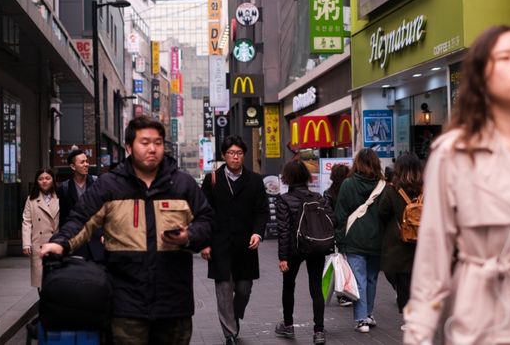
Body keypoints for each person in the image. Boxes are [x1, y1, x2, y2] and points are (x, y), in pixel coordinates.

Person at [403, 25, 510, 344]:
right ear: (480, 76)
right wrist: (418, 334)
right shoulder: (454, 153)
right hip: (481, 314)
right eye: (506, 57)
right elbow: (433, 259)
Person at [40, 116, 213, 345]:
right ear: (129, 147)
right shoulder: (110, 185)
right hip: (125, 303)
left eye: (158, 142)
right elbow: (81, 219)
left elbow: (207, 221)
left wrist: (189, 236)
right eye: (145, 142)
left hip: (173, 303)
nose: (152, 148)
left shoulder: (182, 184)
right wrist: (60, 242)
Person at [200, 135, 269, 345]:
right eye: (231, 153)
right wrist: (205, 242)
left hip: (246, 245)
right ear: (224, 155)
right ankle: (229, 333)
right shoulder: (212, 180)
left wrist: (257, 233)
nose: (235, 157)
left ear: (244, 155)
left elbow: (262, 211)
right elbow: (203, 213)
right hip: (219, 244)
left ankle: (234, 315)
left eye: (239, 153)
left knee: (243, 289)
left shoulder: (255, 180)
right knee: (223, 290)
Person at [274, 159, 332, 345]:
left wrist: (283, 257)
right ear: (306, 177)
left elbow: (283, 230)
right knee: (316, 288)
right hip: (316, 247)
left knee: (288, 285)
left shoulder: (284, 200)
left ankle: (288, 325)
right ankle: (319, 331)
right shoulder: (319, 198)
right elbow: (332, 220)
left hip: (294, 249)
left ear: (287, 178)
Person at [334, 148, 384, 333]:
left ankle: (361, 319)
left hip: (354, 239)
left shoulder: (348, 184)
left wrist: (339, 240)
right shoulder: (383, 185)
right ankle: (368, 314)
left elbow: (340, 214)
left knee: (359, 280)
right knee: (371, 279)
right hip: (377, 239)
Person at [378, 153, 423, 321]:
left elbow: (382, 212)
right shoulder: (427, 189)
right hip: (423, 242)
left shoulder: (392, 190)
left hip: (399, 242)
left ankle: (409, 316)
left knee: (403, 280)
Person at [56, 148, 104, 262]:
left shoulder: (97, 183)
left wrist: (105, 233)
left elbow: (105, 211)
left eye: (87, 161)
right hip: (76, 240)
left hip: (97, 239)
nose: (86, 164)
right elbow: (64, 217)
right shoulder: (64, 188)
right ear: (73, 166)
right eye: (82, 162)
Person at [22, 168, 59, 289]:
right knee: (41, 281)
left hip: (57, 242)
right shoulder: (31, 199)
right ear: (36, 181)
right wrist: (26, 244)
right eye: (41, 179)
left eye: (47, 178)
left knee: (57, 279)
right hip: (39, 244)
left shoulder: (60, 197)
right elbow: (27, 221)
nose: (44, 181)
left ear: (53, 180)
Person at [323, 163, 352, 307]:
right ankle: (347, 292)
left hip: (335, 231)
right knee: (348, 263)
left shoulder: (328, 193)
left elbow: (327, 214)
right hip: (350, 230)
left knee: (338, 264)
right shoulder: (350, 191)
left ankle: (341, 294)